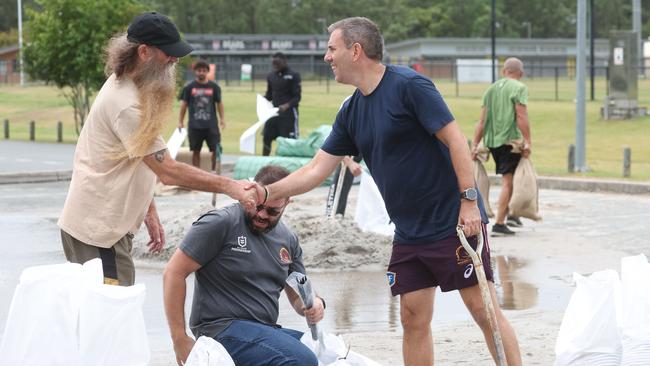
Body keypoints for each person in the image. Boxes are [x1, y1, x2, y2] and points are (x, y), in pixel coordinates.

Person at [250, 17, 522, 366]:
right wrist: (264, 193)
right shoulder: (351, 111)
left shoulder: (410, 86)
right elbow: (316, 170)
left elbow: (456, 140)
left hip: (452, 223)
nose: (326, 57)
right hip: (409, 233)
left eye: (332, 49)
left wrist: (469, 202)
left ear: (356, 50)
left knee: (483, 310)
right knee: (411, 316)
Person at [57, 12, 256, 287]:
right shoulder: (126, 104)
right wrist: (230, 186)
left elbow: (140, 159)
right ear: (144, 52)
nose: (175, 60)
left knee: (104, 317)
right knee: (111, 317)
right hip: (98, 233)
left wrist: (148, 209)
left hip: (102, 227)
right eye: (169, 54)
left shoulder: (131, 85)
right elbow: (168, 171)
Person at [163, 165, 324, 366]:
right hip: (221, 328)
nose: (263, 215)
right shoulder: (221, 223)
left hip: (264, 330)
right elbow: (173, 272)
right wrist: (179, 339)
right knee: (303, 360)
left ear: (287, 203)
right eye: (258, 206)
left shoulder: (288, 239)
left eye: (272, 211)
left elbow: (300, 295)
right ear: (251, 191)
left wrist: (315, 304)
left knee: (325, 354)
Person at [471, 57, 532, 236]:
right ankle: (499, 223)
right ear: (520, 74)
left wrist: (475, 145)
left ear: (503, 71)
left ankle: (512, 214)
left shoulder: (490, 90)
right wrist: (528, 141)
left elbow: (481, 121)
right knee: (509, 181)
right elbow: (521, 116)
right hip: (510, 141)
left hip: (492, 142)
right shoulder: (519, 88)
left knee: (511, 178)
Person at [178, 59, 225, 170]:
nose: (201, 73)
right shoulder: (189, 88)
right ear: (195, 71)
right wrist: (180, 121)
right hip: (195, 126)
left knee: (214, 150)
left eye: (204, 70)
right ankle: (197, 173)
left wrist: (222, 119)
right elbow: (184, 105)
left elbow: (219, 104)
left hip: (211, 125)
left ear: (207, 72)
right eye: (199, 70)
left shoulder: (214, 87)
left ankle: (213, 171)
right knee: (195, 151)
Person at [263, 52, 301, 156]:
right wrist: (262, 100)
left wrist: (286, 106)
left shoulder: (293, 75)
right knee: (266, 137)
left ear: (284, 62)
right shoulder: (271, 76)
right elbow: (269, 95)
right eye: (273, 64)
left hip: (288, 115)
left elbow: (297, 98)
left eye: (277, 64)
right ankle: (263, 162)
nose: (275, 66)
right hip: (273, 113)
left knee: (288, 142)